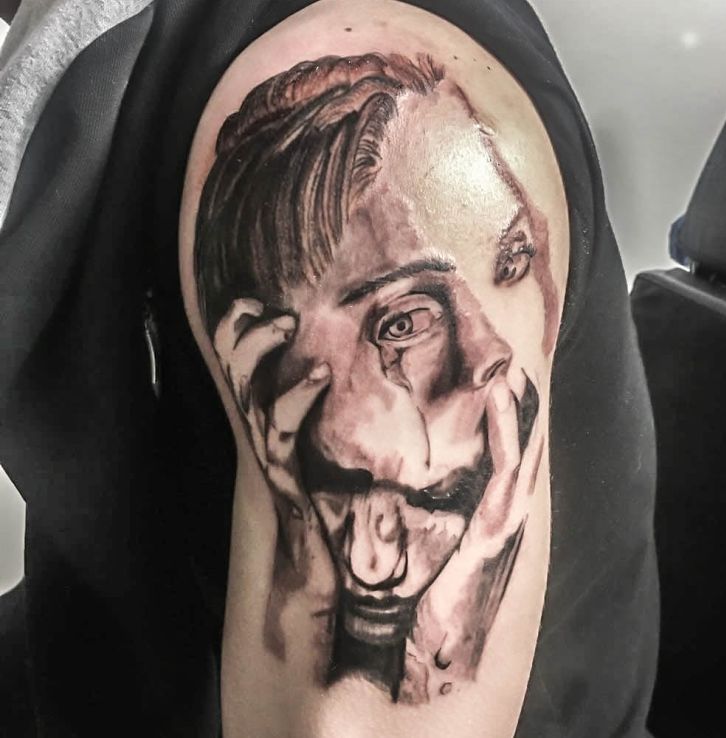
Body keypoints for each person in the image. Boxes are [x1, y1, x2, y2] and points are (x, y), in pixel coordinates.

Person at [0, 1, 658, 736]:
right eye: (407, 322)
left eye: (511, 262)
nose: (490, 355)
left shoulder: (410, 128)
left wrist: (446, 635)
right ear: (262, 357)